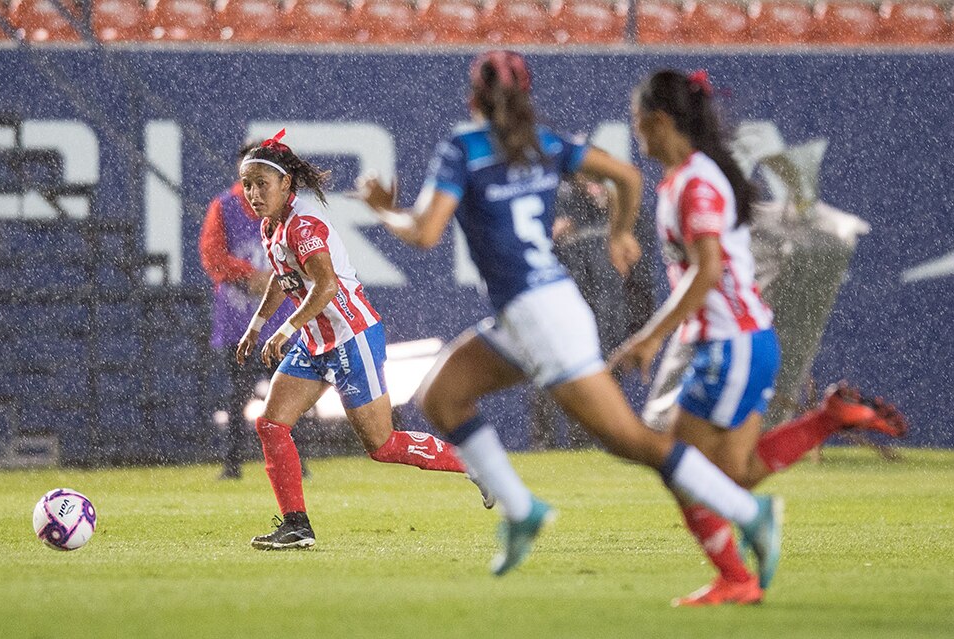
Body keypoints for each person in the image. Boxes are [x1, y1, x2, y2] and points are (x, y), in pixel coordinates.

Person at [356, 50, 783, 584]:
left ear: (474, 99)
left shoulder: (462, 149)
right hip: (535, 311)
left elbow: (423, 233)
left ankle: (751, 513)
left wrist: (381, 208)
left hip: (542, 318)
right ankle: (521, 511)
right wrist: (620, 232)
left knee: (635, 442)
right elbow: (627, 176)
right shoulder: (546, 145)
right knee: (441, 394)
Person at [613, 69, 908, 606]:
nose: (637, 136)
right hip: (746, 342)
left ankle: (738, 575)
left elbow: (705, 272)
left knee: (682, 471)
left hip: (730, 346)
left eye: (638, 124)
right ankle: (829, 420)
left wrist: (650, 338)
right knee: (732, 474)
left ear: (660, 121)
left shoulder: (696, 183)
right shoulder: (691, 177)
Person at [236, 130, 489, 551]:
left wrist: (284, 329)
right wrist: (256, 324)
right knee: (271, 423)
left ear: (286, 184)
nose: (254, 193)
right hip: (315, 341)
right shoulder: (272, 227)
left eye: (262, 183)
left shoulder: (304, 224)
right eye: (248, 185)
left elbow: (326, 287)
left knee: (382, 445)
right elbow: (285, 279)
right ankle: (297, 525)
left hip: (351, 337)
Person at [529, 175, 656, 449]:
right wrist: (548, 238)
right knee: (549, 382)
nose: (593, 184)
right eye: (584, 174)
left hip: (609, 322)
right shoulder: (553, 203)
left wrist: (640, 325)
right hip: (561, 319)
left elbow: (641, 275)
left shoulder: (625, 211)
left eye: (598, 176)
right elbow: (527, 258)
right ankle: (544, 449)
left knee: (596, 395)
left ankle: (588, 450)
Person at [200, 141, 293, 480]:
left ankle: (295, 462)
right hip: (238, 321)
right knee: (236, 395)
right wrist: (249, 275)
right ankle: (233, 462)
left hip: (278, 321)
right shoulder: (224, 207)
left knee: (287, 393)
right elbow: (212, 256)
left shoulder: (284, 207)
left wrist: (276, 276)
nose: (252, 184)